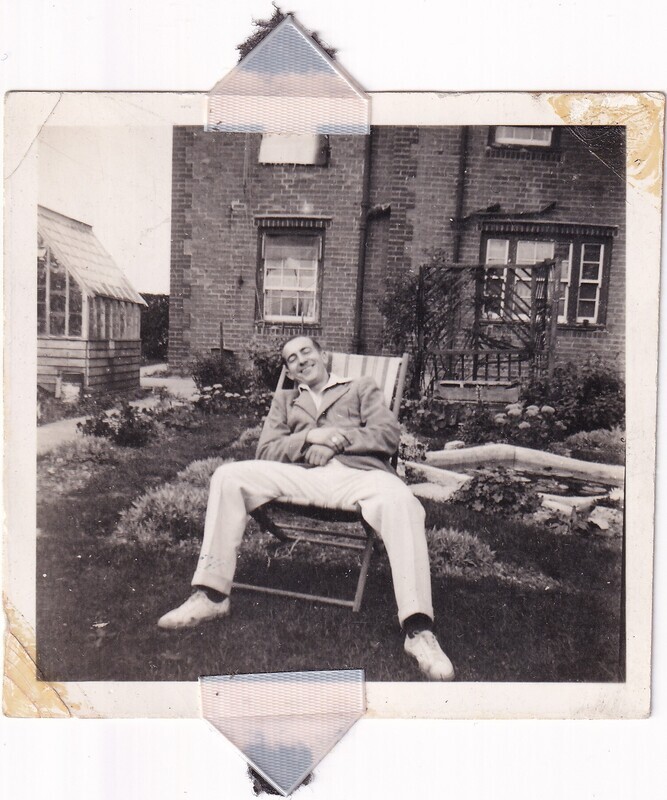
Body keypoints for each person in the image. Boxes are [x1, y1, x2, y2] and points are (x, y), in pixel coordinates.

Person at [158, 335, 455, 681]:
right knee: (228, 476)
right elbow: (267, 451)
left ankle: (419, 631)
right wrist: (309, 439)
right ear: (289, 371)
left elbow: (386, 435)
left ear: (322, 355)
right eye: (291, 358)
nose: (300, 360)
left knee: (403, 502)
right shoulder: (285, 401)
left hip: (358, 477)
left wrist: (334, 443)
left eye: (306, 351)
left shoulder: (360, 387)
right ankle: (211, 595)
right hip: (302, 477)